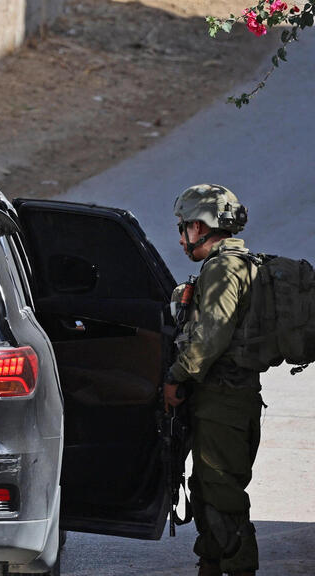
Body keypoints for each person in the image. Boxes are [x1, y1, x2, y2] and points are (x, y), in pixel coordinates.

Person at [164, 184, 262, 576]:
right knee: (207, 486)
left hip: (224, 399)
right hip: (223, 397)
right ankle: (212, 562)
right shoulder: (235, 264)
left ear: (202, 226)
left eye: (185, 226)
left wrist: (177, 374)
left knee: (221, 490)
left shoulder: (224, 268)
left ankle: (238, 567)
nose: (183, 236)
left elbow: (212, 334)